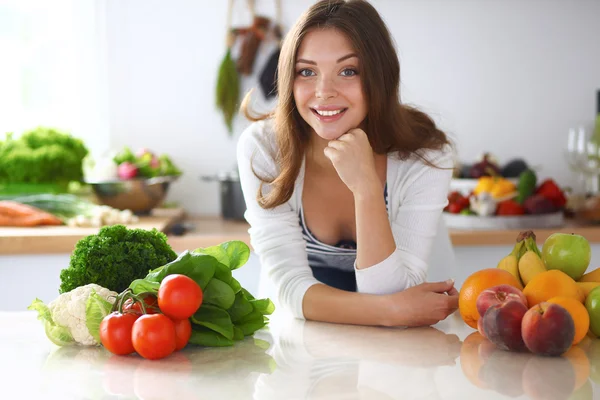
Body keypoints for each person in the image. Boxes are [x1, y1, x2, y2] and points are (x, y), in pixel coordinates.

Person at [236, 0, 458, 327]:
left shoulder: (424, 155)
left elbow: (395, 291)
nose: (324, 92)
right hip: (302, 339)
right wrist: (390, 311)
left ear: (380, 76)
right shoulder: (264, 148)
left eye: (348, 71)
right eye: (307, 71)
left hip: (413, 343)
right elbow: (288, 287)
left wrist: (366, 188)